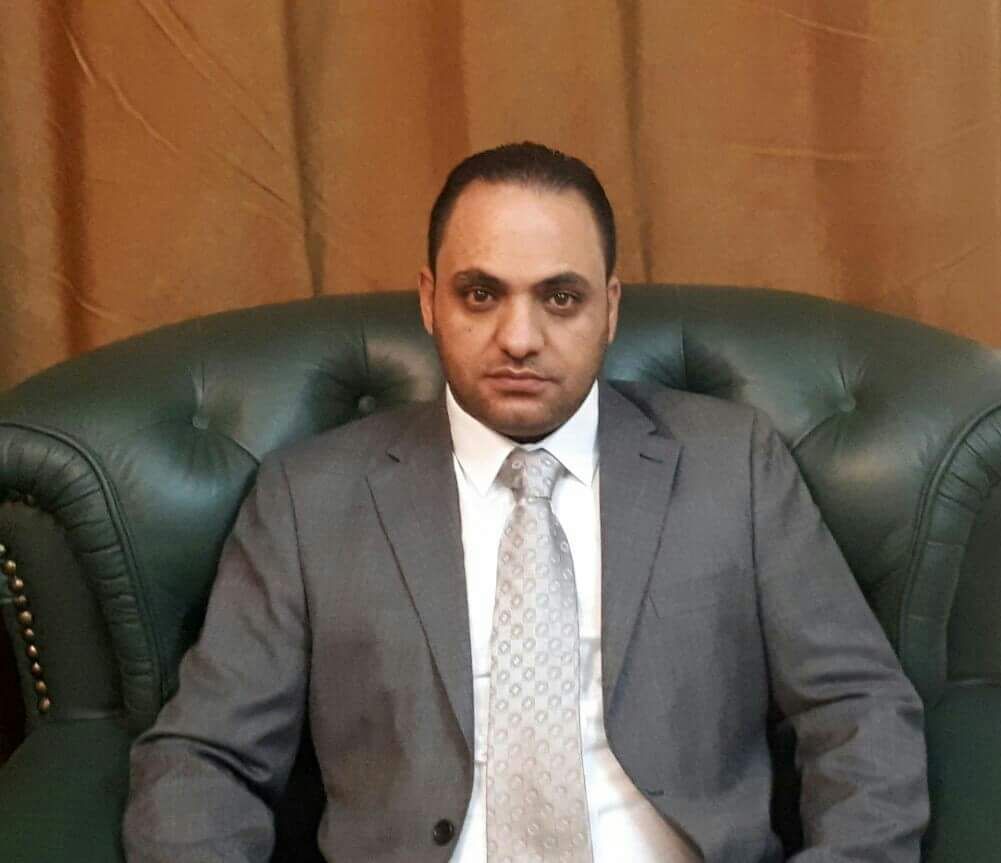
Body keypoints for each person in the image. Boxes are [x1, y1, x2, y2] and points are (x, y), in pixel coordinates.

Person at [123, 142, 928, 862]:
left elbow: (857, 708)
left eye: (560, 298)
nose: (518, 337)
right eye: (480, 294)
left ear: (610, 307)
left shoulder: (731, 464)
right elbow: (203, 760)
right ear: (428, 300)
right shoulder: (309, 499)